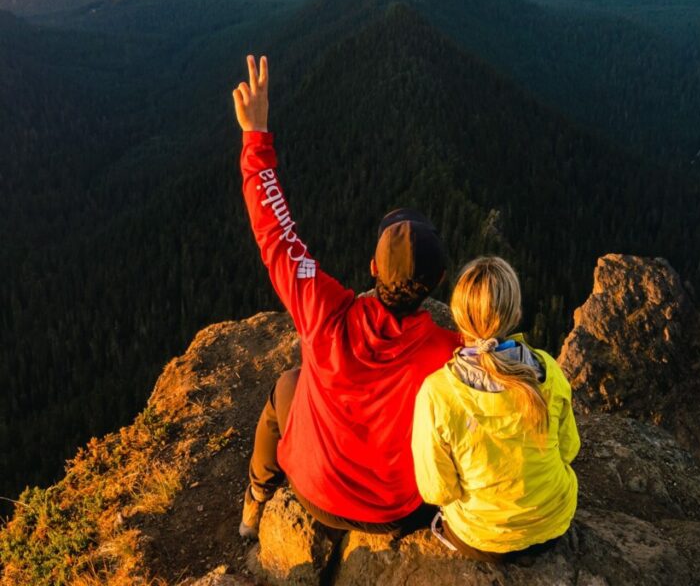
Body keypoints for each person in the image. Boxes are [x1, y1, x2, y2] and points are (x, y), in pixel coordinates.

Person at [232, 54, 460, 538]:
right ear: (438, 284)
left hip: (315, 492)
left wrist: (256, 136)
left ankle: (255, 501)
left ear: (373, 268)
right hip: (399, 512)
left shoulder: (324, 309)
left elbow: (276, 232)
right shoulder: (447, 351)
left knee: (287, 386)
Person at [412, 255, 580, 562]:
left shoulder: (437, 392)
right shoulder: (548, 371)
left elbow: (437, 491)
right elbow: (569, 449)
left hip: (482, 537)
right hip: (553, 523)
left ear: (458, 316)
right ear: (515, 313)